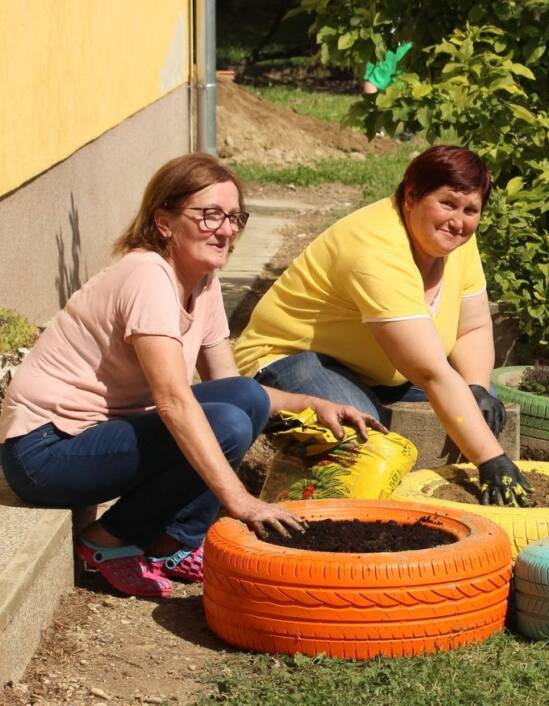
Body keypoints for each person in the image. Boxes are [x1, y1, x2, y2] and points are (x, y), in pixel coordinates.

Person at [0, 154, 383, 598]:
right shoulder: (147, 276)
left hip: (100, 436)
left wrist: (311, 403)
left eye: (234, 217)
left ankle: (172, 544)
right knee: (226, 422)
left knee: (245, 401)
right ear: (164, 222)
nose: (225, 230)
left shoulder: (201, 280)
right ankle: (108, 540)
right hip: (46, 451)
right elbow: (173, 401)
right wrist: (240, 502)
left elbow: (234, 386)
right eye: (209, 216)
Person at [232, 145, 532, 507]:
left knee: (482, 408)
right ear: (411, 196)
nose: (459, 221)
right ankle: (300, 507)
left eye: (471, 210)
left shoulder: (454, 242)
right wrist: (490, 459)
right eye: (447, 204)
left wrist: (477, 387)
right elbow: (432, 372)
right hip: (290, 360)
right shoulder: (375, 248)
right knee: (362, 433)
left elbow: (472, 327)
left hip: (378, 369)